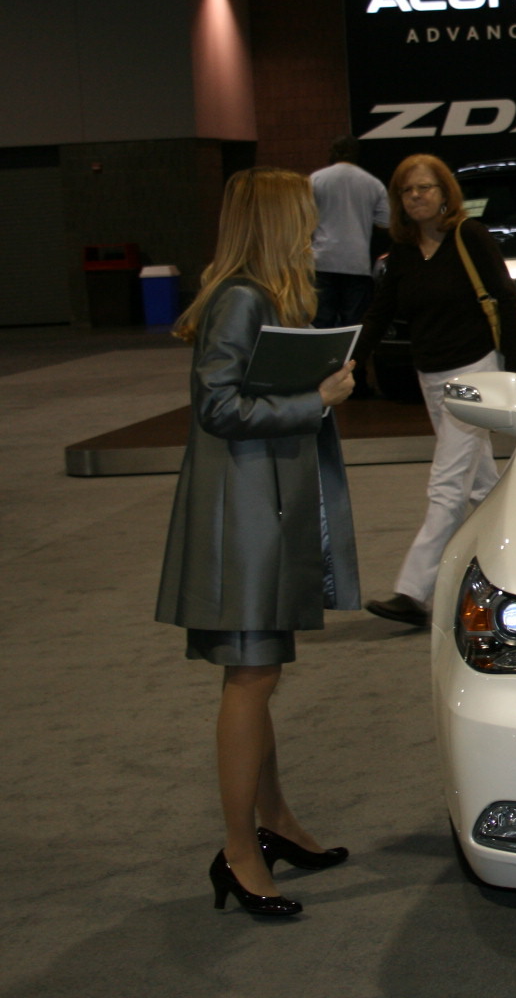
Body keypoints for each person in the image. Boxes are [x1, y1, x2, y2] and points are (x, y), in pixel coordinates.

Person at [156, 166, 360, 919]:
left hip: (255, 508)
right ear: (276, 222)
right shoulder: (243, 299)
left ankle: (273, 824)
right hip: (242, 517)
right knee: (249, 678)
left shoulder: (254, 294)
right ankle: (241, 854)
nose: (314, 229)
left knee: (259, 675)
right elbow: (217, 404)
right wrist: (318, 397)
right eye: (304, 216)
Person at [354, 153, 516, 628]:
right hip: (430, 375)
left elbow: (507, 300)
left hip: (476, 374)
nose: (416, 197)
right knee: (479, 483)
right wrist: (351, 361)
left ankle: (413, 591)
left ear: (445, 193)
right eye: (407, 191)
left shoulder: (468, 236)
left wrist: (514, 368)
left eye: (425, 188)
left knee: (448, 482)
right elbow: (380, 312)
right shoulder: (404, 251)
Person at [309, 135, 390, 330]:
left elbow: (304, 219)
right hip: (357, 264)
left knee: (321, 324)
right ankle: (352, 361)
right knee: (353, 328)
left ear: (333, 152)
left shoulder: (315, 179)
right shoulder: (373, 183)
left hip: (322, 262)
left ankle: (322, 360)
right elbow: (384, 223)